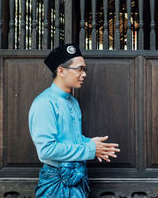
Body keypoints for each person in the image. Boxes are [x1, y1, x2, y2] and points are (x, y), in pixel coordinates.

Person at [28, 43, 120, 197]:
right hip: (56, 183)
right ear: (61, 71)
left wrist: (90, 143)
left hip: (77, 178)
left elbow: (70, 140)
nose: (84, 74)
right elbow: (46, 150)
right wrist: (90, 150)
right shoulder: (44, 103)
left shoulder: (72, 102)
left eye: (84, 69)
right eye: (79, 69)